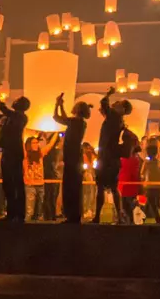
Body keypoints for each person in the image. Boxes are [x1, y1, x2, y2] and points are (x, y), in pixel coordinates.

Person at [0, 88, 30, 223]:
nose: (14, 102)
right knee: (8, 184)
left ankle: (18, 214)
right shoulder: (9, 117)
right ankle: (11, 213)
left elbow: (3, 109)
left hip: (14, 152)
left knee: (16, 183)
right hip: (6, 151)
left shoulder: (20, 117)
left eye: (17, 101)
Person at [94, 87, 131, 223]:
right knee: (114, 188)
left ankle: (98, 216)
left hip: (105, 157)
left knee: (100, 187)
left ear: (123, 110)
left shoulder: (114, 117)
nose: (117, 104)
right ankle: (119, 215)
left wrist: (109, 93)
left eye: (120, 104)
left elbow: (104, 103)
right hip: (113, 158)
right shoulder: (118, 120)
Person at [52, 94, 90, 224]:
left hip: (71, 158)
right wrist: (61, 105)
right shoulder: (80, 123)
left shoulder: (75, 122)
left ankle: (71, 215)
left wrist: (57, 104)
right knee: (75, 187)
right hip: (75, 158)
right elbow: (65, 119)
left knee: (69, 187)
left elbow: (57, 118)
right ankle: (75, 215)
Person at [24, 134, 57, 221]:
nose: (36, 144)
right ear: (29, 145)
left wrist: (57, 132)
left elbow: (50, 144)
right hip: (30, 185)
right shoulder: (26, 155)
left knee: (40, 211)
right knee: (29, 211)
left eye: (37, 143)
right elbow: (21, 141)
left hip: (40, 185)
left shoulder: (40, 154)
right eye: (33, 143)